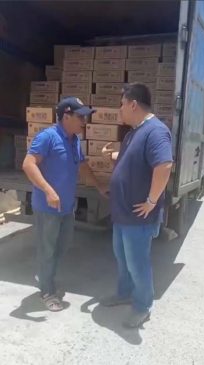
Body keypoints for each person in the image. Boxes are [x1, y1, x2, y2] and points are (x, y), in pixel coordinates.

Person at [98, 83, 173, 328]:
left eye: (121, 104)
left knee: (137, 262)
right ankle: (124, 294)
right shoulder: (133, 133)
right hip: (122, 214)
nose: (119, 110)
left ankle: (142, 306)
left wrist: (152, 201)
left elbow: (164, 165)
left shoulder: (156, 131)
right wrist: (112, 157)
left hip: (138, 216)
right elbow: (133, 160)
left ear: (133, 104)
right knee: (122, 258)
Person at [23, 97, 107, 312]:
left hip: (66, 207)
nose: (84, 121)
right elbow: (29, 164)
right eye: (80, 116)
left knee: (62, 247)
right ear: (66, 116)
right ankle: (47, 290)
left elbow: (82, 166)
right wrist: (48, 190)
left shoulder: (74, 140)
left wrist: (99, 186)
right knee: (48, 250)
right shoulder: (48, 137)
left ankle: (45, 274)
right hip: (47, 208)